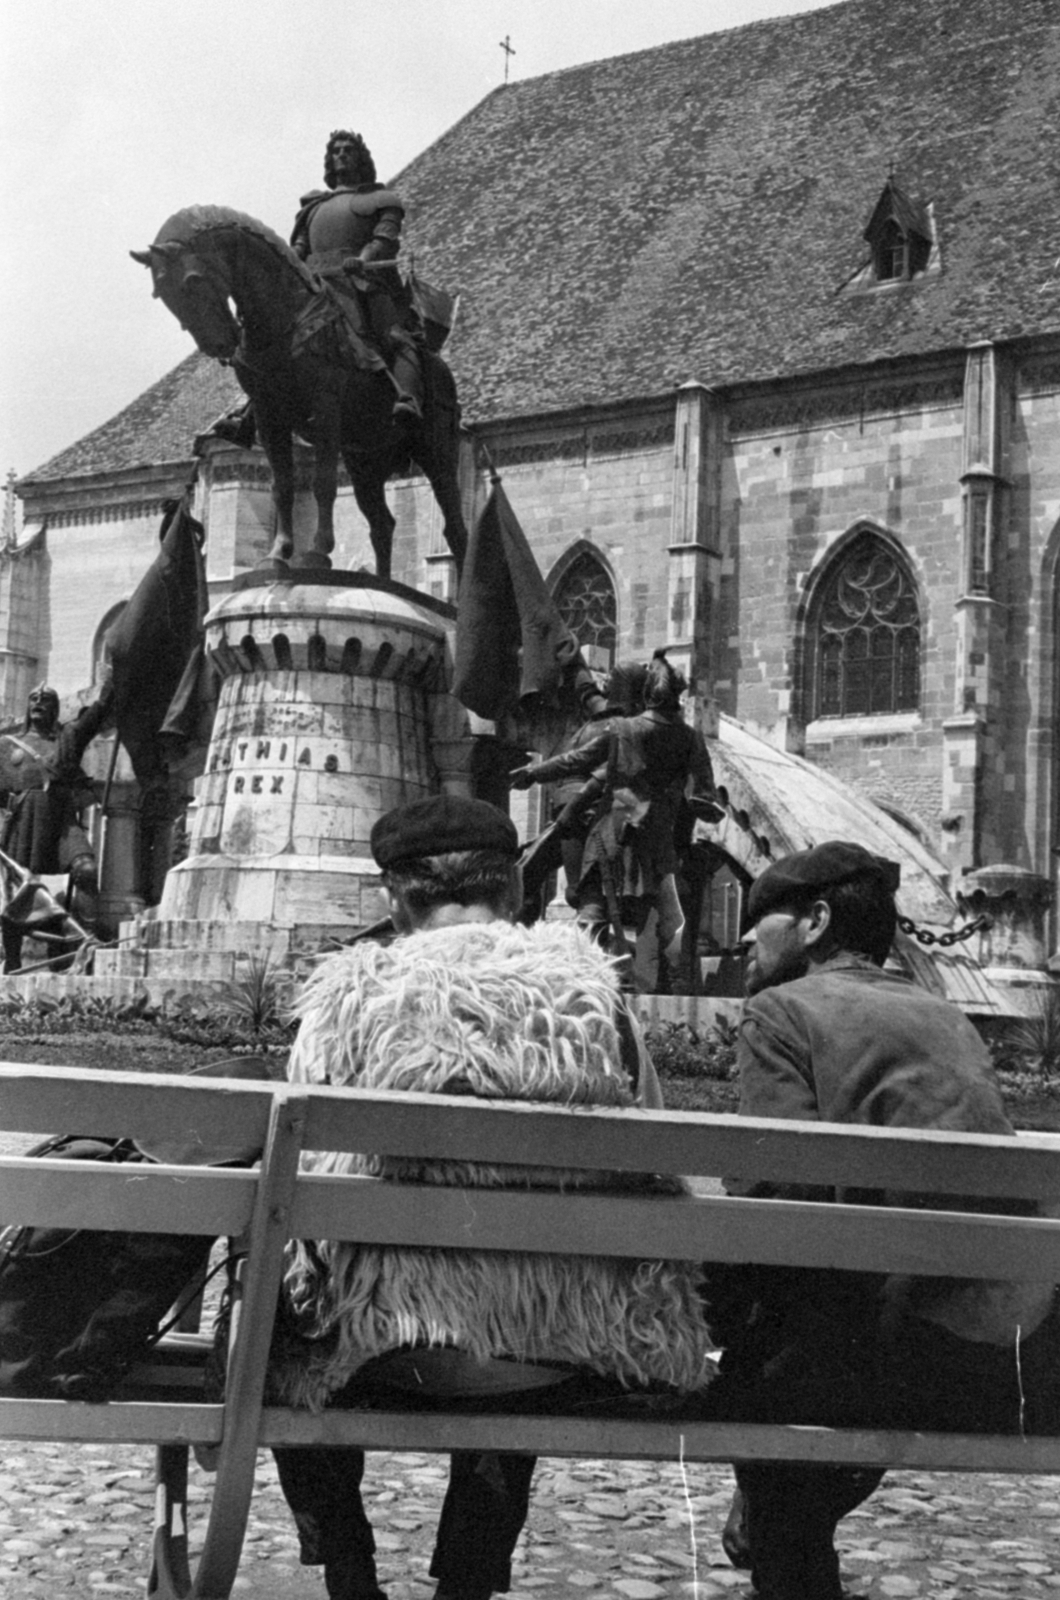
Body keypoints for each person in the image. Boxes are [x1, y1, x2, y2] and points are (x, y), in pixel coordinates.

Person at [270, 793, 714, 1600]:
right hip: (568, 1348)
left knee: (270, 1298)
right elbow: (654, 1158)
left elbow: (301, 1193)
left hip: (379, 1352)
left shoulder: (344, 995)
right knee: (528, 1278)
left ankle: (346, 1561)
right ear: (512, 890)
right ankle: (471, 1573)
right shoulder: (594, 995)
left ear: (393, 899)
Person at [703, 840, 1060, 1600]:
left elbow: (774, 1197)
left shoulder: (780, 1012)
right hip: (996, 1355)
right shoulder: (946, 1015)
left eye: (759, 918)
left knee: (774, 1360)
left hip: (878, 1358)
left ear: (815, 921)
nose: (742, 937)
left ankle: (779, 1537)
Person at [511, 650, 721, 973]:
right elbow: (704, 798)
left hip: (615, 831)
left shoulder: (623, 729)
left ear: (648, 693)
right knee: (654, 912)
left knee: (594, 906)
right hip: (657, 838)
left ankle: (585, 974)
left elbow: (578, 761)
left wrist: (534, 774)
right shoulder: (691, 738)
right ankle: (656, 981)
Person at [291, 128, 424, 424]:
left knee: (396, 338)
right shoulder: (313, 207)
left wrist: (362, 259)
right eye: (336, 151)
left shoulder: (382, 199)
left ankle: (408, 398)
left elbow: (384, 239)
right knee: (278, 342)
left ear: (360, 159)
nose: (341, 155)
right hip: (318, 290)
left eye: (348, 150)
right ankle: (250, 413)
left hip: (364, 285)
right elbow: (299, 248)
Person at [0, 682, 113, 970]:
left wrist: (112, 688)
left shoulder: (67, 739)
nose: (38, 701)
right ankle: (12, 960)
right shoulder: (6, 746)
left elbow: (92, 721)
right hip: (23, 820)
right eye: (33, 697)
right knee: (17, 895)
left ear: (56, 708)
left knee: (86, 870)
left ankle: (86, 943)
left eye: (46, 699)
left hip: (61, 822)